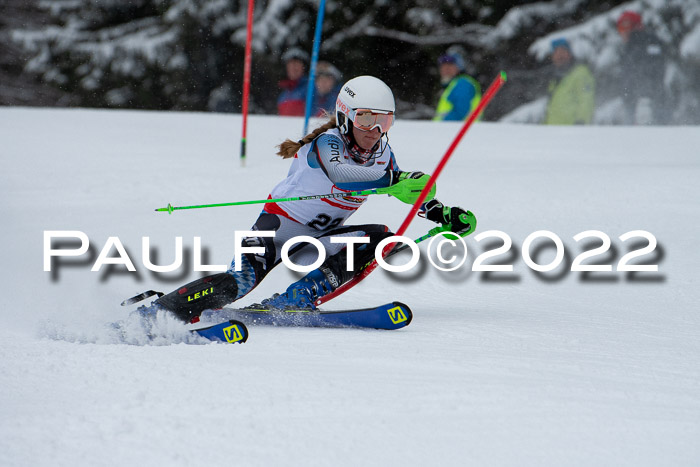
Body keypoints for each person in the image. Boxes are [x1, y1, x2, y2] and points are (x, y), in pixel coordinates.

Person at [145, 76, 476, 323]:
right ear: (346, 116)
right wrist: (394, 181)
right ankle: (160, 312)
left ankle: (296, 298)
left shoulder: (383, 154)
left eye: (383, 121)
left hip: (321, 237)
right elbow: (341, 175)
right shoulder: (327, 144)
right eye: (365, 118)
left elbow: (408, 189)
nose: (374, 129)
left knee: (380, 239)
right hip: (275, 232)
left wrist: (441, 213)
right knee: (237, 284)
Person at [616, 11, 667, 124]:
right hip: (632, 102)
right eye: (620, 28)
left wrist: (644, 98)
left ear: (637, 26)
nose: (623, 32)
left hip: (649, 103)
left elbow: (654, 73)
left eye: (626, 26)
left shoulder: (648, 43)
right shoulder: (628, 48)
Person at [544, 38, 596, 125]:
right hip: (553, 132)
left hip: (572, 132)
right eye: (556, 52)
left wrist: (581, 122)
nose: (559, 56)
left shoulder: (580, 73)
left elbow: (586, 100)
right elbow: (551, 111)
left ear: (569, 54)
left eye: (562, 51)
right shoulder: (555, 81)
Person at [433, 49, 481, 121]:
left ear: (459, 67)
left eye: (450, 66)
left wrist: (441, 126)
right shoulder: (454, 84)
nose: (446, 69)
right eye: (443, 66)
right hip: (453, 130)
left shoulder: (463, 83)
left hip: (458, 130)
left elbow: (461, 112)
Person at [277, 48, 309, 116]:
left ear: (303, 67)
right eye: (290, 64)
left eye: (297, 64)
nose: (293, 67)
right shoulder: (283, 95)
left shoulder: (311, 88)